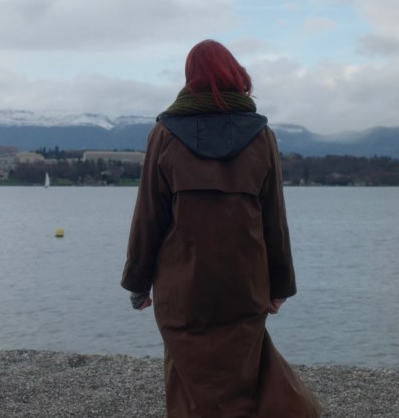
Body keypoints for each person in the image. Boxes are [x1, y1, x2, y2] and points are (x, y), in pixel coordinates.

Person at [121, 39, 321, 417]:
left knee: (187, 381)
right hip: (244, 283)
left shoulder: (164, 135)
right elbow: (273, 219)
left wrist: (137, 282)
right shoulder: (262, 136)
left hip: (182, 287)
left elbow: (149, 216)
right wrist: (280, 287)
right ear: (235, 74)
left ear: (190, 77)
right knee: (242, 378)